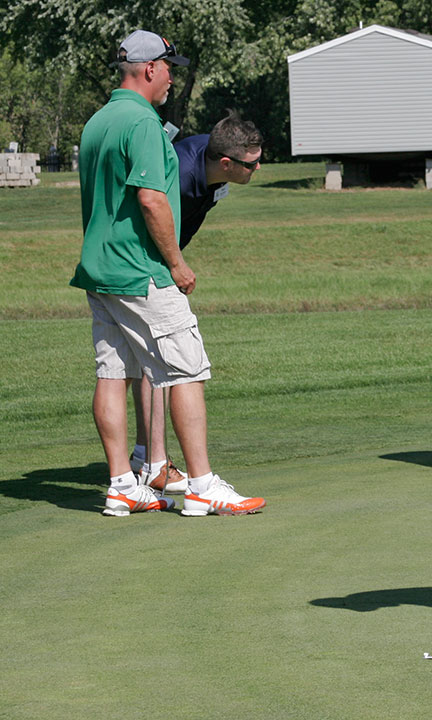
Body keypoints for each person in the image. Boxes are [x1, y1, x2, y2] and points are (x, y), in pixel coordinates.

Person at [71, 30, 264, 517]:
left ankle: (122, 484)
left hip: (101, 269)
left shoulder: (97, 121)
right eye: (169, 69)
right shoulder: (143, 123)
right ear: (150, 68)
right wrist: (176, 263)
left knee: (113, 372)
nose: (172, 79)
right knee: (186, 370)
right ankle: (201, 486)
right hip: (142, 270)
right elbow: (151, 199)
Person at [129, 112, 264, 494]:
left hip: (160, 260)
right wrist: (174, 266)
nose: (258, 168)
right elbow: (150, 214)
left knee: (147, 362)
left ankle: (145, 458)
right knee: (167, 362)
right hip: (145, 264)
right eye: (251, 164)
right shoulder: (184, 176)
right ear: (227, 163)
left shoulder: (215, 163)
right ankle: (159, 465)